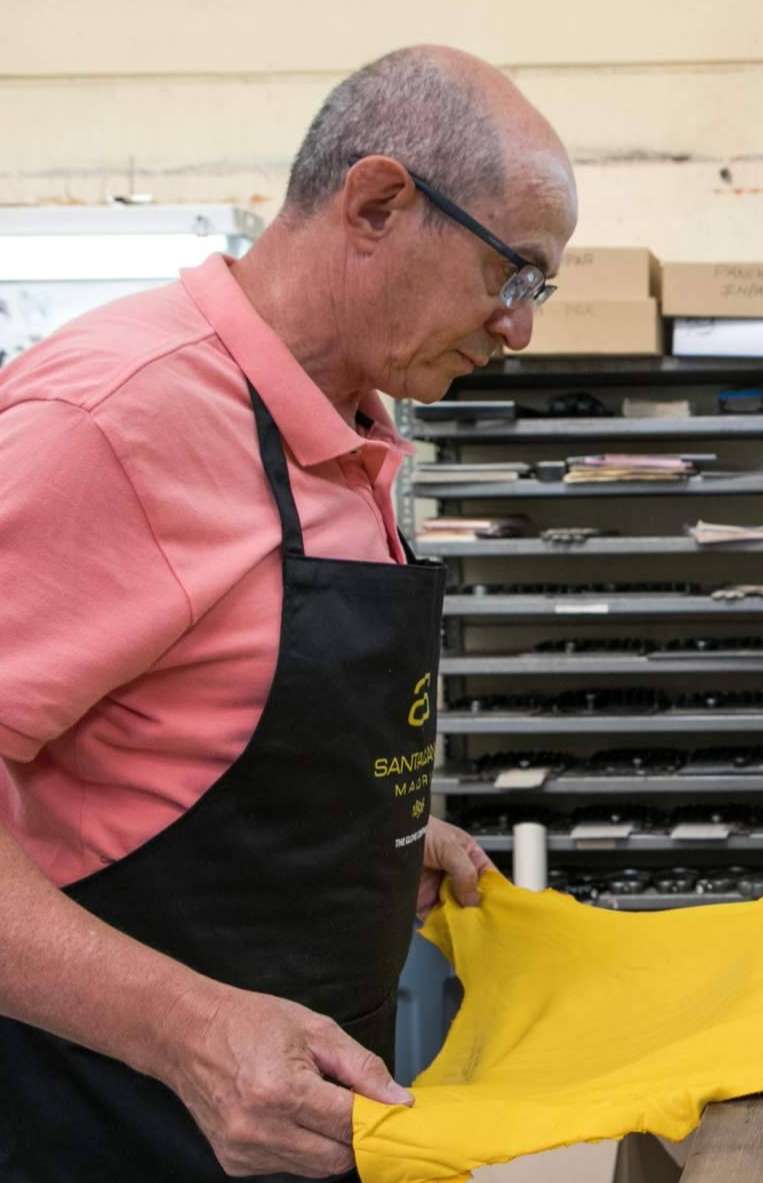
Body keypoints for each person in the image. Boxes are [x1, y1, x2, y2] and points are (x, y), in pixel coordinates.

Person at [0, 46, 577, 1180]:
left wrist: (364, 836)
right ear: (378, 203)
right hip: (103, 1130)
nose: (518, 329)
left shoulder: (346, 427)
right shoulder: (110, 422)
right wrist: (191, 1032)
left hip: (296, 1125)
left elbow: (191, 727)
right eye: (513, 275)